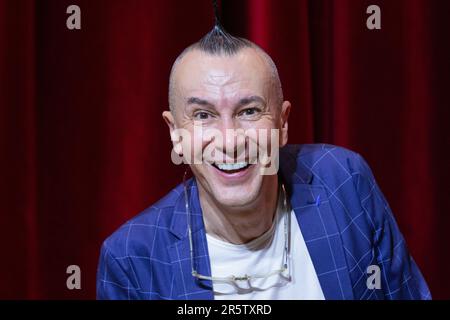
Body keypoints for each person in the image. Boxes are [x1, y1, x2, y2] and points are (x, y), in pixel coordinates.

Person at [96, 24, 430, 300]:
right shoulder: (131, 260)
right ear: (176, 134)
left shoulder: (344, 181)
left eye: (250, 111)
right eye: (203, 115)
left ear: (282, 123)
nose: (230, 141)